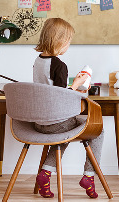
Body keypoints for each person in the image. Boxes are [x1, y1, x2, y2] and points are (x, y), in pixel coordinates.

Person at [33, 18, 103, 199]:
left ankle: (45, 174)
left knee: (63, 134)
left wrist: (73, 85)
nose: (68, 45)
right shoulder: (59, 65)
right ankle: (89, 176)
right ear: (60, 41)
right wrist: (78, 84)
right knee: (98, 130)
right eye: (68, 41)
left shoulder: (38, 61)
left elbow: (50, 90)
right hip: (56, 122)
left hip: (39, 122)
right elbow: (61, 97)